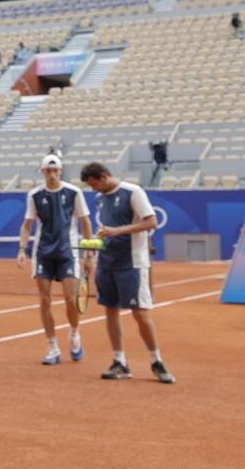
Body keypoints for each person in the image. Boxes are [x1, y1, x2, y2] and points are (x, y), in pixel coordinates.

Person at [79, 162, 175, 384]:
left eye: (94, 185)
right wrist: (89, 252)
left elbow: (152, 222)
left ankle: (156, 361)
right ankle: (119, 361)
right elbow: (103, 232)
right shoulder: (99, 198)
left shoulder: (133, 192)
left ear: (103, 177)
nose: (93, 190)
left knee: (140, 314)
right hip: (106, 263)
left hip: (131, 263)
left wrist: (118, 231)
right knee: (110, 311)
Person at [17, 154, 94, 365]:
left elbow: (85, 223)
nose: (51, 174)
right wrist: (22, 249)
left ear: (60, 171)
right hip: (42, 252)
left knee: (71, 298)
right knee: (44, 300)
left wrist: (90, 251)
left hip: (67, 253)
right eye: (48, 171)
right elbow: (27, 225)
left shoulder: (74, 192)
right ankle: (52, 347)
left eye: (55, 170)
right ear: (42, 172)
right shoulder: (34, 195)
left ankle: (75, 333)